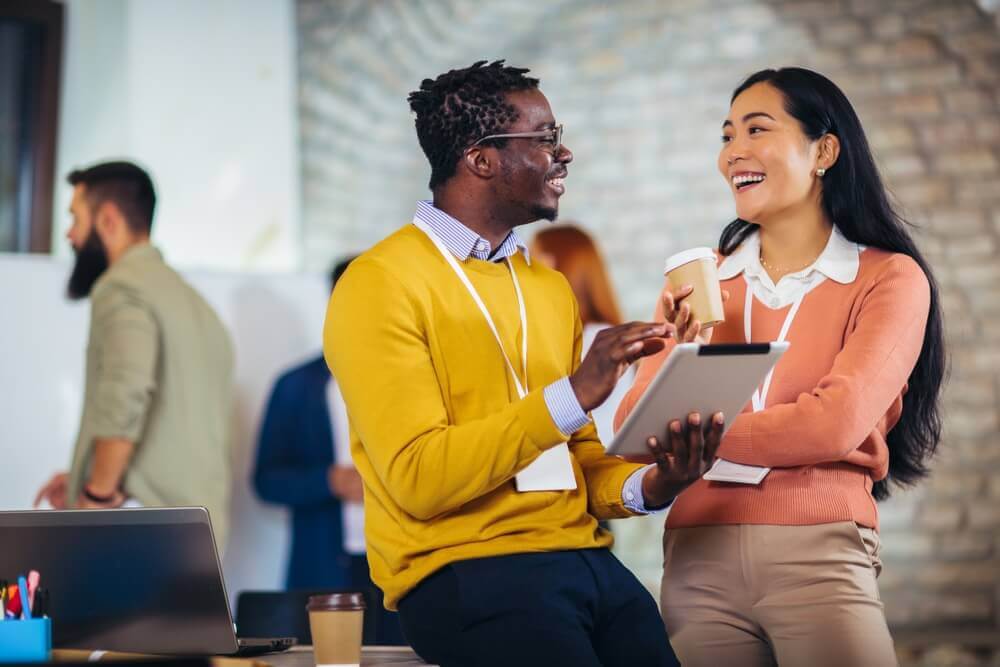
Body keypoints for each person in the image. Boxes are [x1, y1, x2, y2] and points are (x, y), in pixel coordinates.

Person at [325, 60, 722, 667]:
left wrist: (657, 482)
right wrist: (573, 394)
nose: (564, 154)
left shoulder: (547, 289)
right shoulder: (379, 283)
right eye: (545, 139)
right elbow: (418, 478)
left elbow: (580, 464)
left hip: (583, 560)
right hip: (463, 569)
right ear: (481, 159)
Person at [616, 67, 945, 667]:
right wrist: (682, 358)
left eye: (756, 129)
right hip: (698, 557)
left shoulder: (889, 279)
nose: (733, 153)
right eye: (726, 135)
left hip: (820, 555)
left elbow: (833, 426)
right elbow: (638, 428)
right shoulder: (700, 280)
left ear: (824, 150)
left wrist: (696, 427)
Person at [34, 161, 235, 549]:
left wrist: (95, 496)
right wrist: (83, 474)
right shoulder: (198, 307)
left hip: (141, 531)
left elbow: (127, 391)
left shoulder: (121, 287)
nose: (70, 234)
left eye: (75, 218)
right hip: (197, 534)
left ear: (108, 220)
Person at [253, 255, 405, 645]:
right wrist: (329, 481)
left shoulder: (415, 381)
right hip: (322, 569)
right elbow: (266, 480)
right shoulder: (296, 385)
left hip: (401, 567)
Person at [531, 224, 630, 445]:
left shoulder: (595, 338)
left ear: (552, 264)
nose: (524, 270)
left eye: (533, 258)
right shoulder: (598, 334)